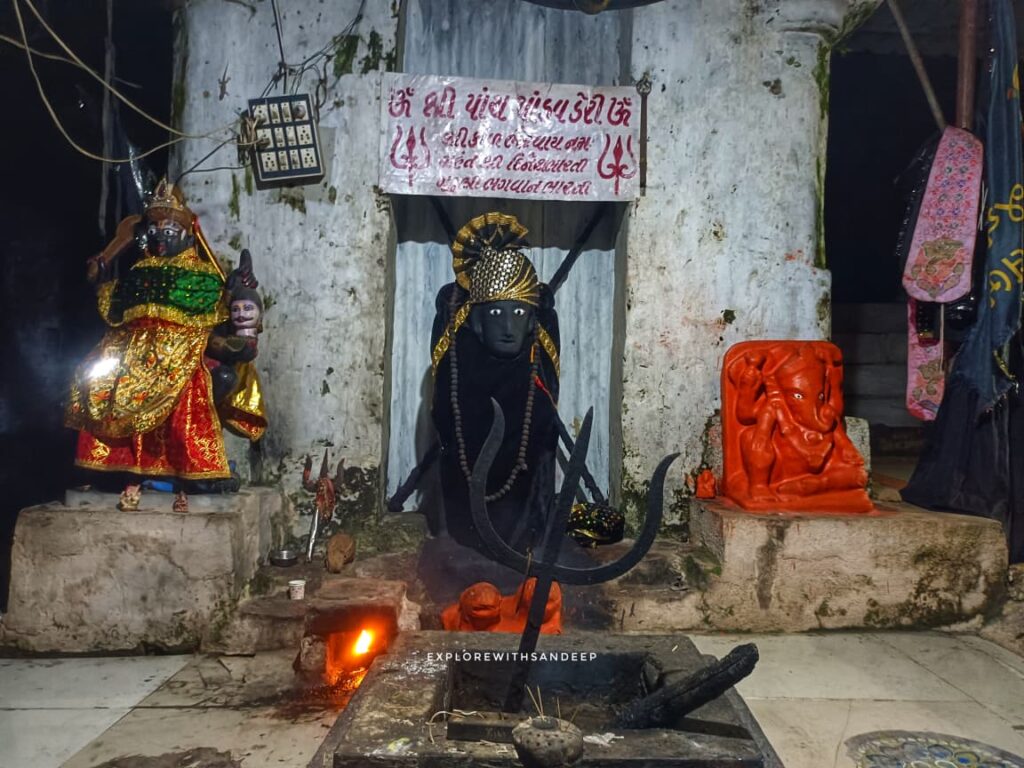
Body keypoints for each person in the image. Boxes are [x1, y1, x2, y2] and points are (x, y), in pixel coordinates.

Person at [65, 179, 260, 510]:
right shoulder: (139, 270)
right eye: (156, 225)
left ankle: (190, 470)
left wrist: (236, 291)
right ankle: (114, 468)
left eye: (170, 225)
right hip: (128, 350)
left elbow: (217, 312)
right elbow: (116, 309)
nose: (162, 232)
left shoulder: (202, 274)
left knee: (194, 382)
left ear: (185, 232)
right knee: (92, 376)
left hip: (181, 351)